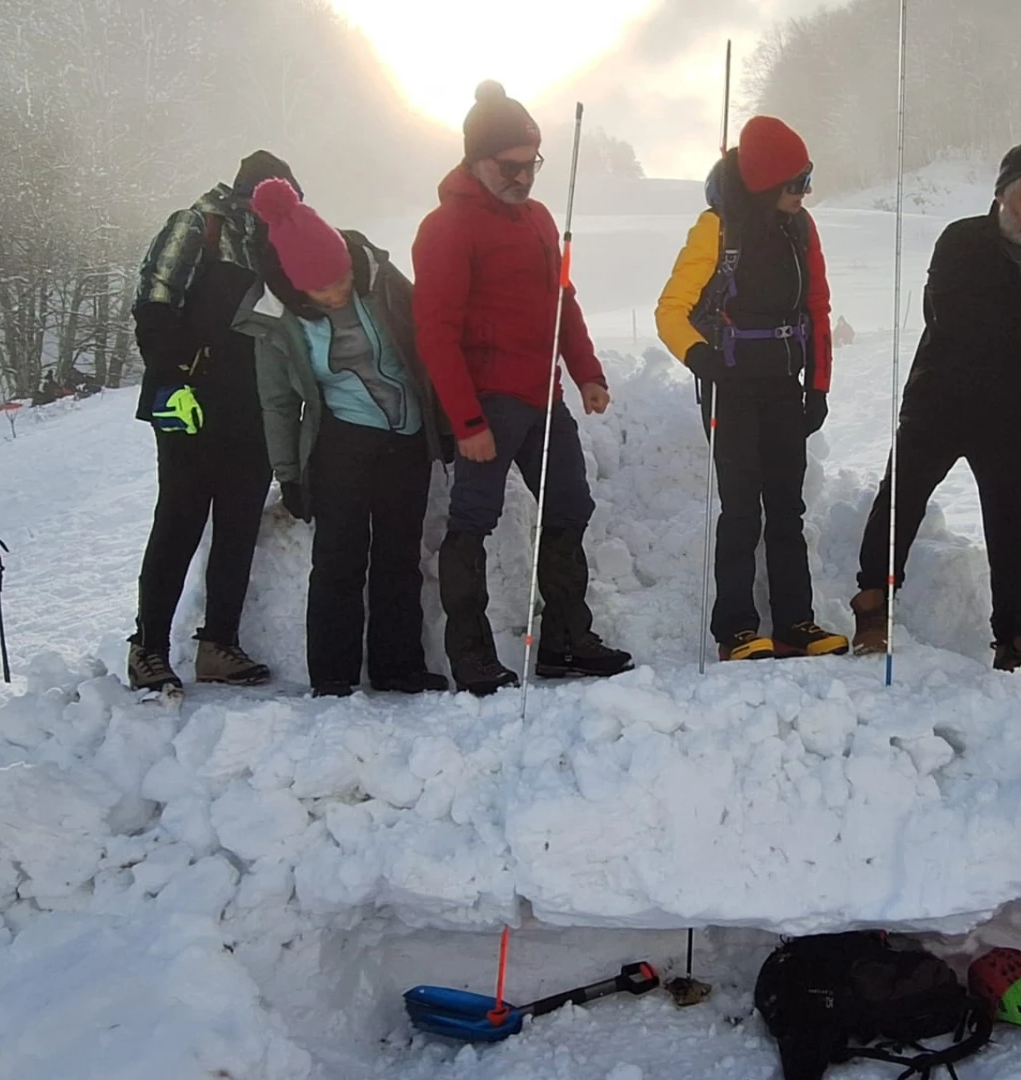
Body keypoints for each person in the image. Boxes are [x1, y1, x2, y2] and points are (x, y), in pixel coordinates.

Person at [413, 81, 632, 695]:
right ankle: (472, 657)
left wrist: (586, 370)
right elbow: (435, 335)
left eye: (531, 163)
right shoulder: (446, 228)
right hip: (488, 403)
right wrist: (467, 422)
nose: (523, 177)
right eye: (509, 166)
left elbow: (563, 298)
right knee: (471, 523)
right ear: (476, 160)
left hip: (543, 398)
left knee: (569, 508)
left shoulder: (539, 219)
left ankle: (566, 642)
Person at [852, 143, 1021, 672]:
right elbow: (948, 314)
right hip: (942, 402)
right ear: (1001, 193)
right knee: (900, 503)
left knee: (1013, 531)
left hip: (1019, 418)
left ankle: (1015, 637)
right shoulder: (961, 240)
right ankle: (872, 607)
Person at [239, 179, 453, 698]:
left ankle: (398, 667)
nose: (338, 293)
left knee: (398, 556)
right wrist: (288, 474)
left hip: (406, 436)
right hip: (341, 443)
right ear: (294, 287)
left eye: (341, 280)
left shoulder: (376, 276)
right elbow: (278, 402)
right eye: (323, 290)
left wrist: (445, 422)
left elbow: (430, 339)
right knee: (339, 558)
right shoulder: (274, 316)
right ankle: (332, 676)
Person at [655, 116, 848, 661]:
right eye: (795, 182)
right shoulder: (717, 229)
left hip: (785, 387)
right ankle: (735, 629)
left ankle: (796, 622)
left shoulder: (802, 229)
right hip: (731, 389)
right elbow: (670, 311)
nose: (804, 192)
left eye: (807, 179)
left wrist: (820, 385)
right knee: (742, 510)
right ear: (765, 182)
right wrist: (704, 361)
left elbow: (817, 309)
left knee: (788, 510)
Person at [125, 151, 298, 695]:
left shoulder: (276, 244)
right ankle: (147, 649)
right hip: (190, 401)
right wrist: (171, 381)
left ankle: (218, 644)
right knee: (179, 520)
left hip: (251, 405)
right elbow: (154, 299)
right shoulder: (197, 225)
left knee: (239, 525)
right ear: (252, 194)